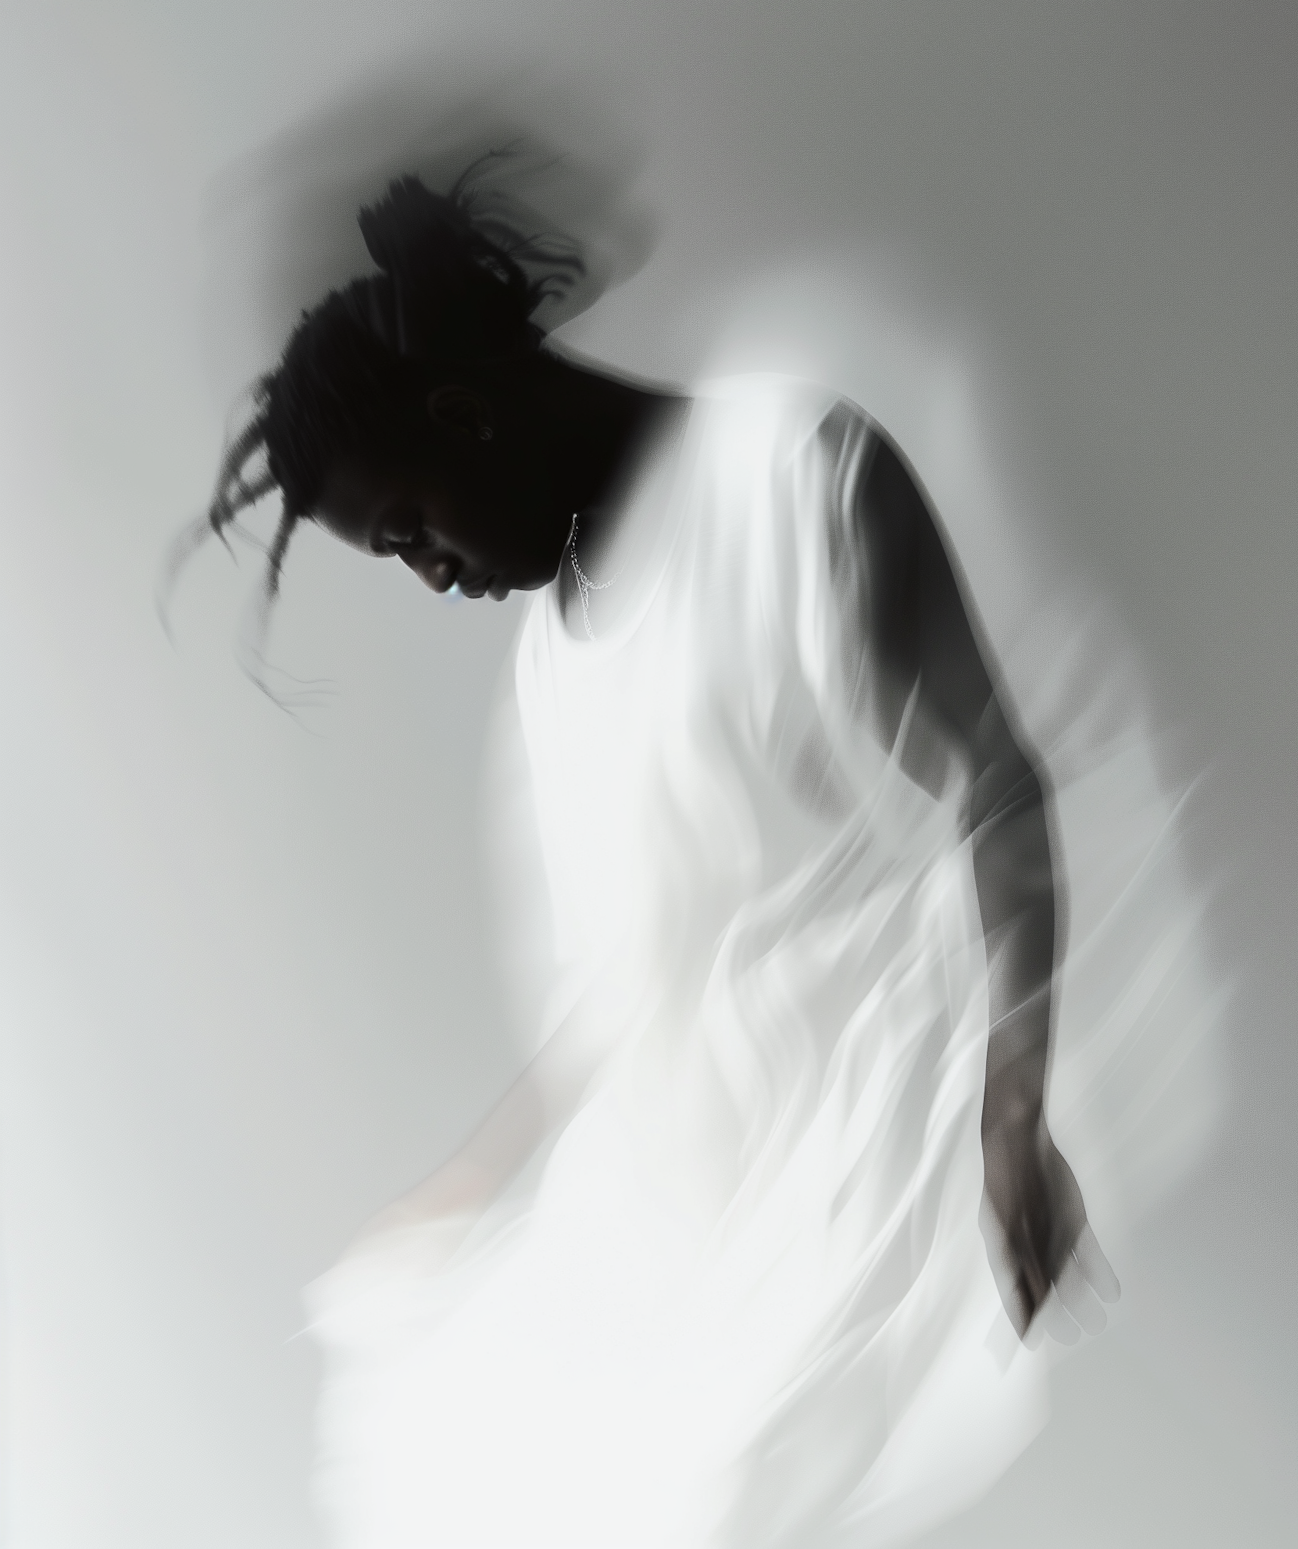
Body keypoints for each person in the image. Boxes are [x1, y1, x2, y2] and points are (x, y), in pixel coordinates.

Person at [194, 163, 1118, 1548]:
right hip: (668, 1242)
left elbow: (995, 779)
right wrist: (473, 1181)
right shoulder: (554, 664)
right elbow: (626, 993)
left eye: (408, 532)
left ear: (465, 417)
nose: (431, 574)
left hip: (830, 1198)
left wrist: (1011, 1106)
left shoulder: (790, 476)